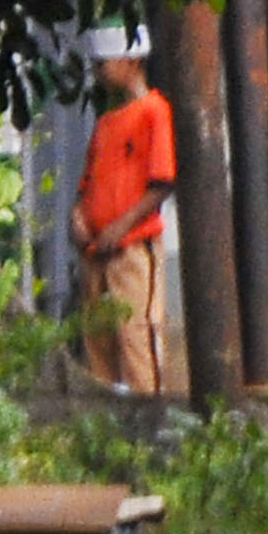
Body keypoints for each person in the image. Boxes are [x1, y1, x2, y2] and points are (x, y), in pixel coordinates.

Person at [72, 26, 178, 395]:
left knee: (137, 334)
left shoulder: (155, 111)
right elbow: (87, 183)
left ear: (132, 61)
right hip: (95, 250)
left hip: (132, 247)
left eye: (104, 63)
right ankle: (106, 415)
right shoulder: (105, 122)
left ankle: (149, 410)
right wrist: (78, 217)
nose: (99, 72)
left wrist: (122, 226)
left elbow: (163, 181)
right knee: (98, 340)